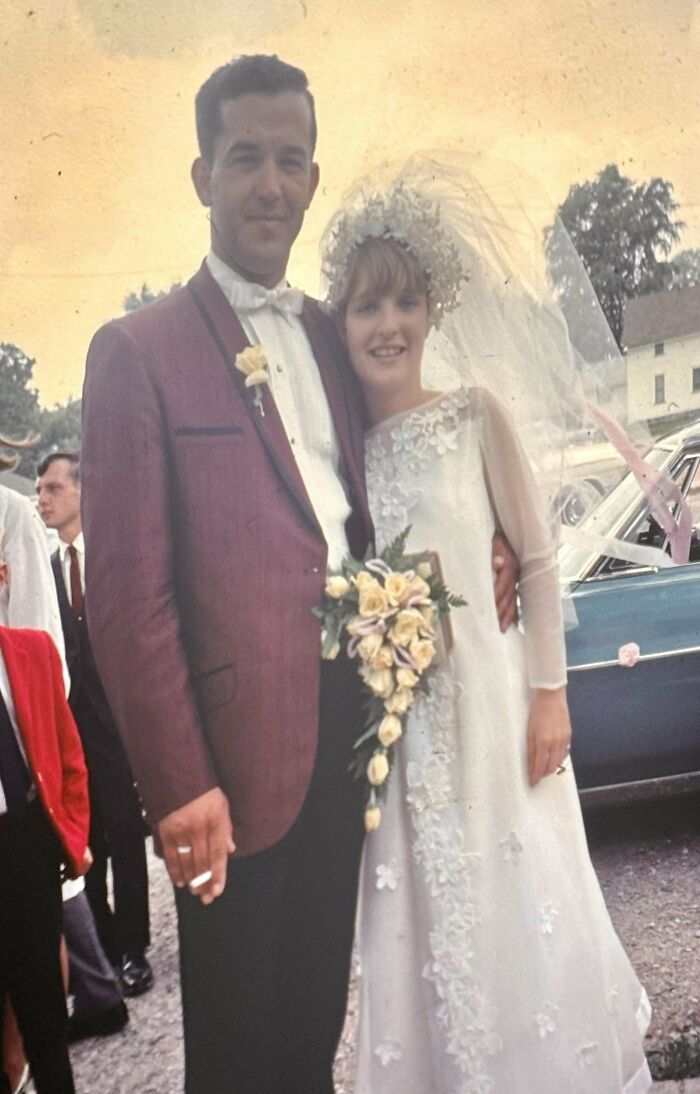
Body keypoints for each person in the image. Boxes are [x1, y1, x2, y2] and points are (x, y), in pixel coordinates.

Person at [80, 56, 518, 1093]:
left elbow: (408, 465)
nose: (269, 183)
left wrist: (486, 539)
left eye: (289, 159)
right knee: (236, 1055)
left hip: (350, 740)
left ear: (313, 177)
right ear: (202, 176)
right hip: (229, 769)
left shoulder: (332, 335)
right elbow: (125, 598)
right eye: (245, 159)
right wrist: (179, 784)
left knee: (313, 1029)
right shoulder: (137, 351)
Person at [323, 180, 653, 1092]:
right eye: (366, 305)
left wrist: (551, 694)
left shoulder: (472, 415)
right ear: (342, 319)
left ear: (433, 310)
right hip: (398, 735)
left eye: (404, 301)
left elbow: (537, 561)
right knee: (425, 917)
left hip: (497, 714)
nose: (387, 324)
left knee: (518, 902)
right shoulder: (339, 447)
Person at [36, 451, 153, 997]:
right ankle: (103, 946)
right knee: (87, 841)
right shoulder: (45, 566)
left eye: (54, 488)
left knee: (127, 834)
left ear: (82, 492)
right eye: (39, 490)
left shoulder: (111, 557)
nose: (43, 499)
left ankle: (134, 951)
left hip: (118, 723)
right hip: (71, 727)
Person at [0, 577, 91, 1094]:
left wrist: (71, 837)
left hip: (28, 846)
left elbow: (68, 754)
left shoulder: (32, 651)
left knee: (44, 1011)